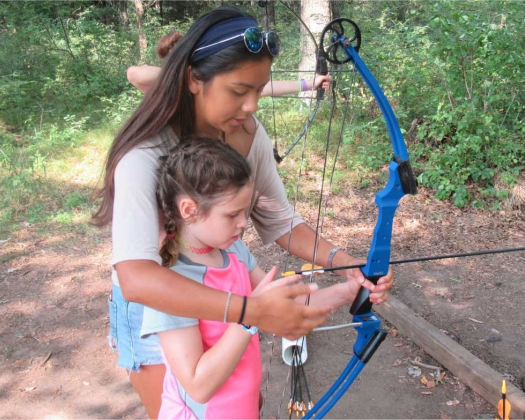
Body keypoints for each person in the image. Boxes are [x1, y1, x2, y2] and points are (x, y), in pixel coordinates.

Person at [92, 7, 394, 418]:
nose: (251, 105)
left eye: (259, 89)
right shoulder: (144, 154)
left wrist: (349, 266)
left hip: (226, 295)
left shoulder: (248, 136)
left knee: (239, 402)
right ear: (194, 80)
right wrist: (250, 313)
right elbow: (137, 279)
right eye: (238, 91)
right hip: (159, 305)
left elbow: (281, 221)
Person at [146, 138, 360, 419]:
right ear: (189, 210)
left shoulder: (232, 250)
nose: (244, 223)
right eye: (232, 214)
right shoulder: (169, 282)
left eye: (245, 212)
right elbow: (198, 386)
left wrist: (351, 289)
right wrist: (249, 315)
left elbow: (287, 305)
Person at [127, 31, 331, 96]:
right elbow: (134, 74)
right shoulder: (165, 85)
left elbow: (264, 87)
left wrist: (308, 84)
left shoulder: (208, 80)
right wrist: (184, 71)